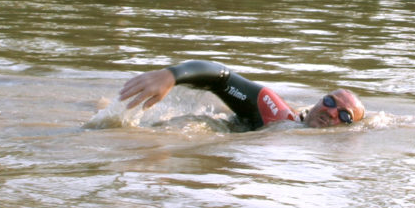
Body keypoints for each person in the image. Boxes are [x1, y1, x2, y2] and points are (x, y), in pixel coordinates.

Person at [118, 59, 365, 130]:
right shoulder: (277, 113)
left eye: (344, 116)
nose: (331, 112)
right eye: (330, 101)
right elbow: (222, 77)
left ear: (348, 129)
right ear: (318, 101)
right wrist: (171, 75)